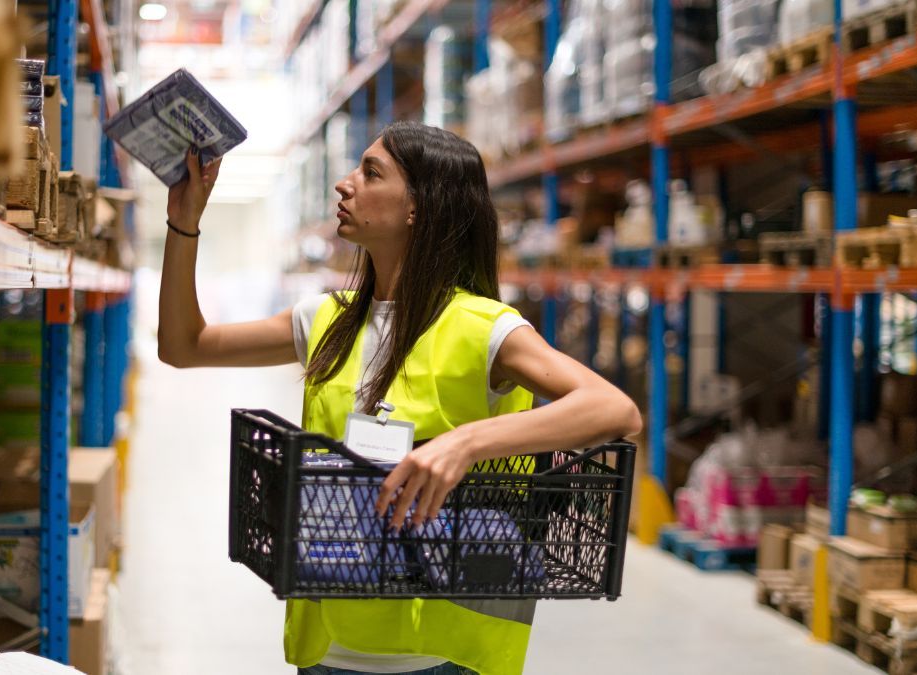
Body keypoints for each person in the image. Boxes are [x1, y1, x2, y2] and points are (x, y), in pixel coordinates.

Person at [158, 121, 643, 675]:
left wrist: (465, 444)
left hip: (441, 652)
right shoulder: (326, 318)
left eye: (370, 173)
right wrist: (184, 221)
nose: (345, 185)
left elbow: (614, 409)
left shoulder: (483, 328)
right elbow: (183, 345)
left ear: (418, 208)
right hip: (329, 643)